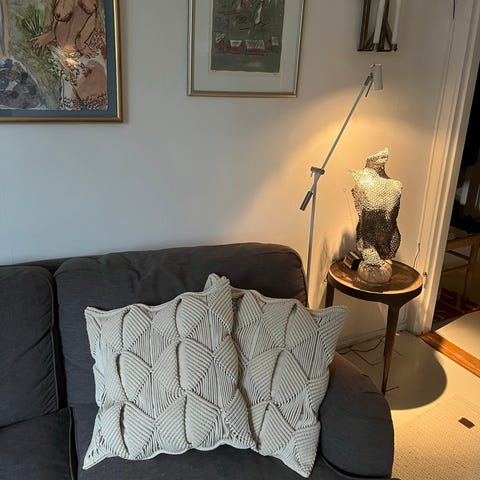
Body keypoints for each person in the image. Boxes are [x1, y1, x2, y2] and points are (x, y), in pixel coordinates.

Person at [32, 0, 107, 111]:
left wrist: (81, 44)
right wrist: (46, 38)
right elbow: (55, 29)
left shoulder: (87, 4)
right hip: (64, 59)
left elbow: (90, 20)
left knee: (92, 97)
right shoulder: (59, 2)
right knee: (69, 104)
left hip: (83, 57)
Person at [351, 148, 402, 282]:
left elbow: (391, 219)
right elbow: (362, 214)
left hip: (387, 241)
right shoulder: (361, 181)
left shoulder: (395, 185)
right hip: (367, 242)